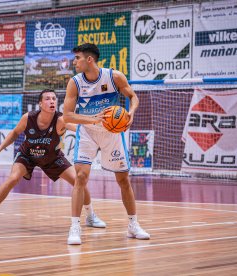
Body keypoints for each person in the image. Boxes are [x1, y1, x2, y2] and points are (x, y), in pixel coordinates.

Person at [0, 89, 106, 232]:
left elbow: (79, 129)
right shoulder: (28, 118)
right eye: (47, 99)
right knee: (12, 178)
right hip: (28, 156)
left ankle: (90, 216)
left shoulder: (61, 119)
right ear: (40, 103)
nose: (52, 101)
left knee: (79, 181)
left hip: (52, 157)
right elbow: (14, 133)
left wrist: (97, 126)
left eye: (54, 98)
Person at [63, 43, 150, 245]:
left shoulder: (114, 76)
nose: (74, 62)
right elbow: (67, 116)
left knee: (123, 180)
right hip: (87, 132)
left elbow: (133, 97)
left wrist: (131, 113)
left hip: (112, 133)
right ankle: (75, 227)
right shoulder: (75, 83)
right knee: (81, 177)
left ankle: (133, 225)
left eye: (77, 58)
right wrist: (93, 119)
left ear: (89, 59)